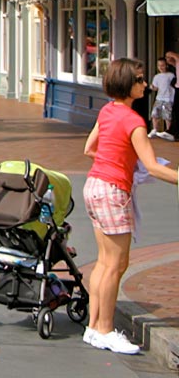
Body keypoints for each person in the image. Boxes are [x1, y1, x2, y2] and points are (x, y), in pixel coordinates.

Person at [82, 57, 178, 354]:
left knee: (104, 262)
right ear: (126, 83)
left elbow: (90, 148)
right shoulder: (135, 122)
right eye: (139, 79)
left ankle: (94, 326)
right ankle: (106, 329)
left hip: (95, 185)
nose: (145, 84)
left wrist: (120, 160)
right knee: (116, 265)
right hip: (113, 190)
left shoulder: (108, 111)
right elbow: (153, 166)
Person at [148, 57, 176, 141]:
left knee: (167, 116)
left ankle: (168, 131)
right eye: (159, 65)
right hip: (159, 98)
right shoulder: (156, 77)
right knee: (154, 114)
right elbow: (156, 88)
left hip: (168, 98)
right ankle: (155, 130)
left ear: (166, 65)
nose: (161, 67)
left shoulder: (171, 75)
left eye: (163, 65)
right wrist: (152, 87)